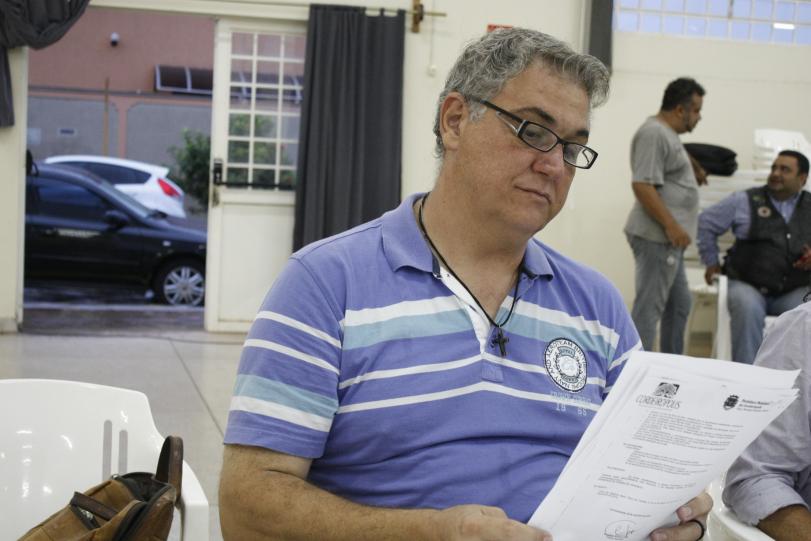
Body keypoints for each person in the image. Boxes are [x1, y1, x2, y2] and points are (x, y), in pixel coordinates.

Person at [219, 28, 711, 541]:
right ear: (454, 120)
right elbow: (245, 509)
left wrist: (678, 514)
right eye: (533, 131)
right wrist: (428, 533)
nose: (552, 165)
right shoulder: (325, 284)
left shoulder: (597, 305)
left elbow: (647, 467)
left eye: (572, 148)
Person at [697, 150, 811, 364]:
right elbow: (706, 222)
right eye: (774, 168)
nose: (776, 173)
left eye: (785, 170)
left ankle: (792, 377)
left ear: (802, 179)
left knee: (805, 313)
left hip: (792, 290)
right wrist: (711, 262)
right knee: (746, 308)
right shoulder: (745, 200)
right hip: (748, 286)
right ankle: (748, 376)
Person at [624, 77, 707, 354]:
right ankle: (635, 368)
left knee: (679, 304)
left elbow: (669, 160)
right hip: (658, 238)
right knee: (649, 309)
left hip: (669, 242)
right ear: (680, 110)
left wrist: (693, 166)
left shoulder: (667, 134)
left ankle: (671, 366)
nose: (699, 117)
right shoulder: (654, 133)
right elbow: (642, 185)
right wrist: (672, 227)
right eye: (696, 110)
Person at [723, 294, 811, 540]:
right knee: (746, 306)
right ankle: (745, 383)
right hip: (757, 287)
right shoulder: (804, 329)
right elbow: (757, 477)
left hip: (787, 286)